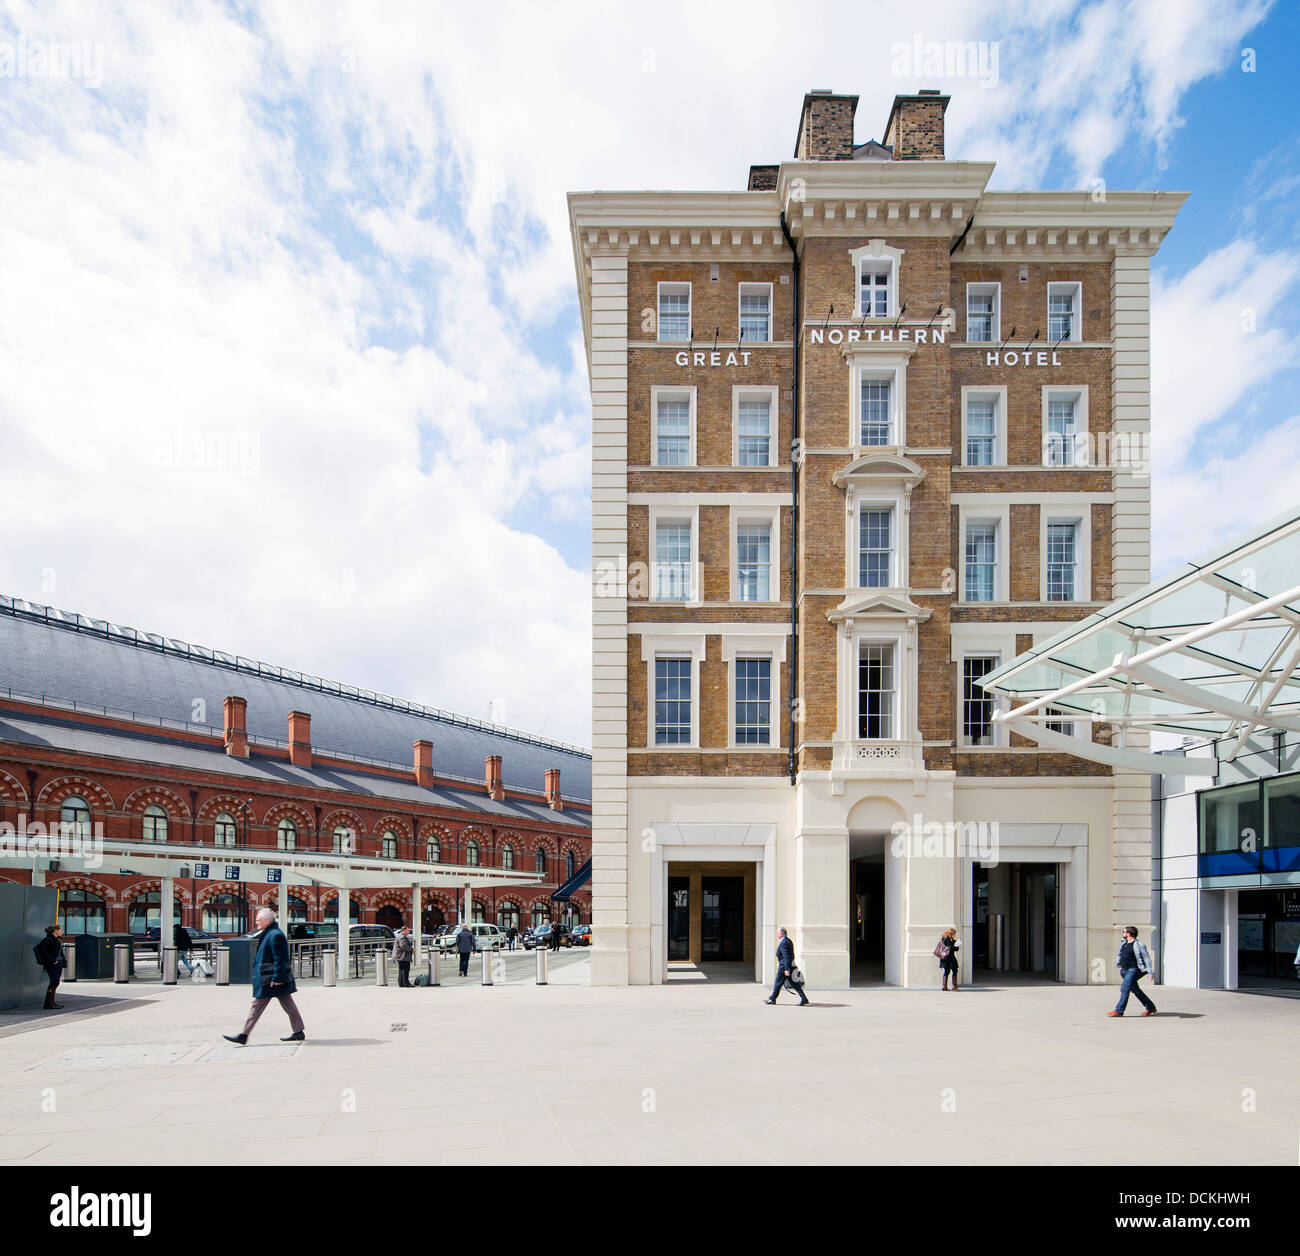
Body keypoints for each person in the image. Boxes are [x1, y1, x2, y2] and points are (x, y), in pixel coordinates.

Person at [224, 907, 306, 1044]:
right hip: (270, 978)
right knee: (288, 1004)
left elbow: (281, 958)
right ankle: (298, 1031)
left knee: (258, 1006)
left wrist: (278, 978)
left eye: (259, 920)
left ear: (267, 920)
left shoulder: (275, 935)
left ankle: (243, 1035)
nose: (257, 923)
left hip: (270, 979)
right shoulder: (270, 933)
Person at [1109, 925, 1157, 1017]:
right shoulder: (1124, 943)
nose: (1123, 933)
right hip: (1124, 971)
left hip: (1133, 970)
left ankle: (1119, 1011)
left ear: (1129, 933)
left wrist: (1150, 973)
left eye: (1124, 932)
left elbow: (1147, 959)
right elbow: (1121, 955)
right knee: (1136, 990)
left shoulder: (1139, 945)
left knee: (1124, 988)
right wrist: (1119, 965)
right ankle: (1150, 1007)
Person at [765, 926, 809, 1006]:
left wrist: (787, 969)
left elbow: (786, 956)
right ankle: (804, 998)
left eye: (777, 933)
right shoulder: (788, 941)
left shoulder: (784, 942)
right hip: (787, 966)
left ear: (782, 933)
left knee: (778, 982)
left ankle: (772, 999)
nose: (776, 934)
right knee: (794, 984)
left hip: (784, 967)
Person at [34, 924, 66, 1010]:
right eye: (60, 930)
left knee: (56, 982)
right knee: (54, 981)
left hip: (58, 964)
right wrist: (52, 960)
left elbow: (59, 953)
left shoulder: (57, 940)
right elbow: (42, 952)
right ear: (55, 931)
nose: (61, 931)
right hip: (50, 964)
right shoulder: (47, 940)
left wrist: (63, 962)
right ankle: (48, 1003)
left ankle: (52, 1002)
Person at [937, 926, 961, 991]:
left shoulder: (946, 939)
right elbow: (950, 948)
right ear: (950, 933)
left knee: (947, 971)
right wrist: (957, 947)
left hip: (946, 959)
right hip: (949, 959)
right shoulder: (947, 940)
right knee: (954, 971)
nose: (954, 935)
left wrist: (955, 943)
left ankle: (945, 986)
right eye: (953, 934)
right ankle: (953, 987)